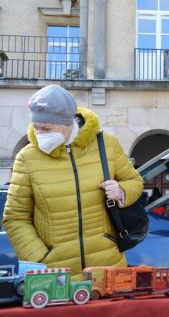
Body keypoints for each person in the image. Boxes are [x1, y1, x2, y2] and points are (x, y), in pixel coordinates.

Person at [3, 85, 143, 279]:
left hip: (108, 269)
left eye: (45, 128)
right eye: (35, 127)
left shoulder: (107, 144)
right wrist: (40, 258)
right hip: (56, 276)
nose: (38, 134)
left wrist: (121, 191)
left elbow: (134, 180)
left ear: (67, 124)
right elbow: (15, 218)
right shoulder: (26, 158)